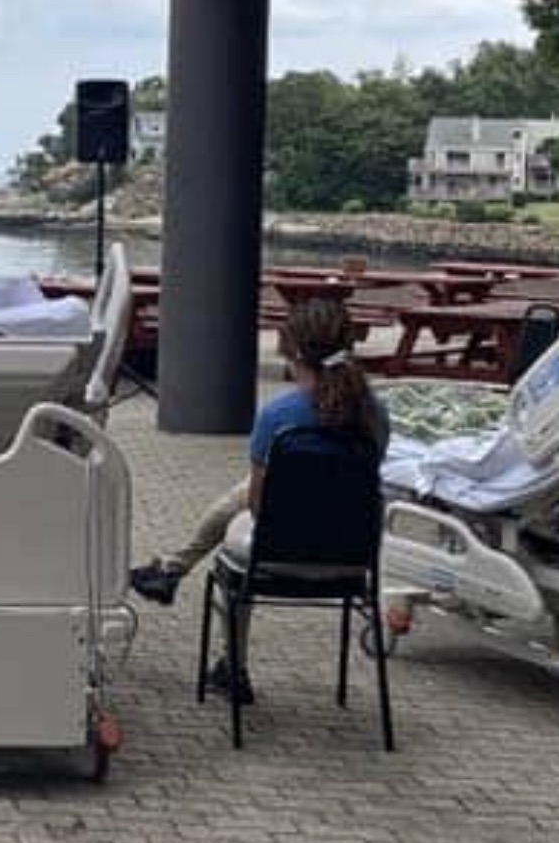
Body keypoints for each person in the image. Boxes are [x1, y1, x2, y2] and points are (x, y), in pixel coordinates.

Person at [126, 299, 387, 700]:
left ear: (292, 351)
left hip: (280, 554)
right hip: (352, 558)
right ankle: (171, 569)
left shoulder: (278, 416)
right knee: (250, 492)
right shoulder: (376, 416)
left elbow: (260, 504)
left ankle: (234, 666)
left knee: (237, 535)